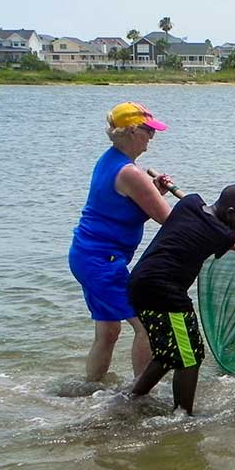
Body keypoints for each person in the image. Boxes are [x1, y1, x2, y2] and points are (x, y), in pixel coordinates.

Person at [129, 184, 235, 414]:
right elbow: (225, 238)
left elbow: (207, 230)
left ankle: (134, 396)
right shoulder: (221, 234)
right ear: (230, 213)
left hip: (140, 284)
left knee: (168, 352)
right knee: (190, 356)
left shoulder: (189, 202)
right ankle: (183, 415)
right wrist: (231, 238)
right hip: (164, 293)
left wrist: (230, 237)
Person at [68, 102, 173, 382]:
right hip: (101, 261)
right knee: (147, 326)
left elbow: (126, 211)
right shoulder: (130, 173)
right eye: (148, 130)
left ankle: (90, 387)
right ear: (130, 132)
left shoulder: (111, 160)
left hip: (86, 255)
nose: (152, 136)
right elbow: (168, 219)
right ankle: (140, 397)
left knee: (108, 332)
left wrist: (155, 191)